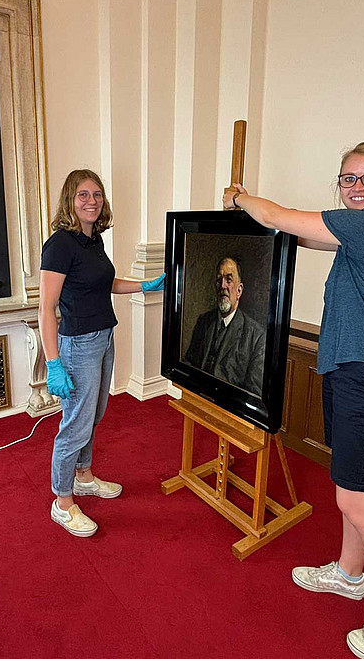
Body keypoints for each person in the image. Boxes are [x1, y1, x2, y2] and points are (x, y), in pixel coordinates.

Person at [223, 142, 364, 659]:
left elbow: (275, 215)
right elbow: (297, 234)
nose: (358, 187)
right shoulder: (358, 236)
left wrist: (241, 197)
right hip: (352, 371)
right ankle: (348, 574)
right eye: (349, 179)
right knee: (351, 489)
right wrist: (261, 216)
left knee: (358, 502)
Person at [39, 169, 164, 538]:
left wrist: (143, 284)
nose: (91, 201)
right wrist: (53, 362)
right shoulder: (60, 244)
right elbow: (46, 307)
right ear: (69, 200)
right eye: (83, 195)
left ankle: (84, 476)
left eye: (97, 194)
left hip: (103, 337)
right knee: (74, 424)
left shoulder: (92, 240)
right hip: (77, 344)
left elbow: (103, 283)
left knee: (93, 415)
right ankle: (62, 501)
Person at [183, 256, 266, 396]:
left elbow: (253, 391)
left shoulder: (256, 336)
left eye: (228, 279)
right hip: (198, 395)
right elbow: (189, 362)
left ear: (239, 290)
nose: (222, 286)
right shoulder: (204, 321)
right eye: (219, 280)